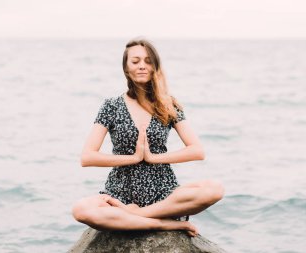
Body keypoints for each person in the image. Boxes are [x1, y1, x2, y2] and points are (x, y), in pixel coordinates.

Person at [72, 38, 224, 237]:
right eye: (135, 62)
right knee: (81, 210)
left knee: (215, 189)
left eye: (148, 61)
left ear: (155, 67)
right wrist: (134, 158)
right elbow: (87, 157)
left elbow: (197, 151)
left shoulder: (168, 104)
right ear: (126, 69)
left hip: (164, 191)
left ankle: (139, 215)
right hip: (120, 191)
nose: (142, 66)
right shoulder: (111, 106)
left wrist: (153, 158)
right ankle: (164, 224)